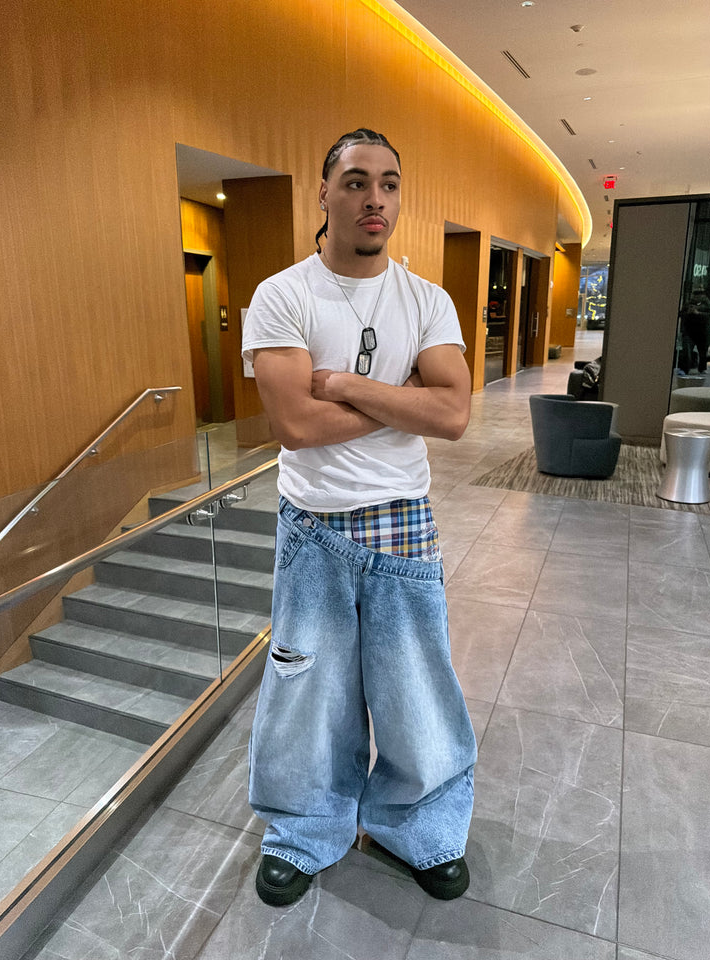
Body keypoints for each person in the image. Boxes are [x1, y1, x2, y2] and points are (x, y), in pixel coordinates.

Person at [242, 128, 477, 908]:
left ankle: (421, 828)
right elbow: (295, 426)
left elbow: (453, 415)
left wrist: (344, 384)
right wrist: (405, 396)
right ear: (325, 193)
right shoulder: (283, 296)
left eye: (389, 183)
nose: (374, 198)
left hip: (403, 520)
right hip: (313, 528)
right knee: (307, 691)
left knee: (416, 690)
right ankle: (304, 830)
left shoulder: (427, 300)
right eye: (355, 182)